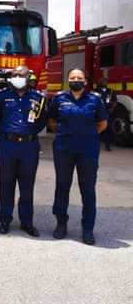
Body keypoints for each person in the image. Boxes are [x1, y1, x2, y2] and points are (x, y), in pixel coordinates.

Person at [49, 68, 108, 246]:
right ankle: (61, 223)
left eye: (79, 78)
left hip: (87, 150)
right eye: (73, 77)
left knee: (88, 188)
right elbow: (52, 122)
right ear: (68, 80)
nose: (76, 80)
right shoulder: (59, 99)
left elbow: (102, 124)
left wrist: (87, 136)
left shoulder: (94, 100)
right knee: (62, 186)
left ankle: (87, 228)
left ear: (85, 80)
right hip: (64, 149)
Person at [0, 65, 48, 237]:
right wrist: (8, 134)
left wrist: (27, 134)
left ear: (28, 76)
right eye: (14, 74)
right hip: (7, 145)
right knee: (6, 184)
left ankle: (27, 222)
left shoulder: (38, 98)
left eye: (21, 74)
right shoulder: (2, 97)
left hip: (29, 147)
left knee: (27, 186)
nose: (17, 77)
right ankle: (4, 220)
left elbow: (42, 121)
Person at [94, 76, 117, 151]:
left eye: (106, 81)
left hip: (107, 111)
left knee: (108, 129)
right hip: (98, 112)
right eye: (103, 81)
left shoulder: (111, 91)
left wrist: (112, 108)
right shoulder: (95, 91)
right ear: (100, 82)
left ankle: (108, 146)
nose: (105, 83)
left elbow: (115, 101)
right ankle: (94, 145)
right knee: (97, 128)